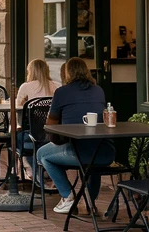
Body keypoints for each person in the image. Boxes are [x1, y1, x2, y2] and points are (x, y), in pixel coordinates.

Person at [36, 57, 112, 215]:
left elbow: (50, 125)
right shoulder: (98, 90)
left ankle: (68, 197)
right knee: (93, 159)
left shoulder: (62, 92)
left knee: (42, 154)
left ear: (67, 73)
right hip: (106, 153)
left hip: (78, 152)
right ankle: (90, 201)